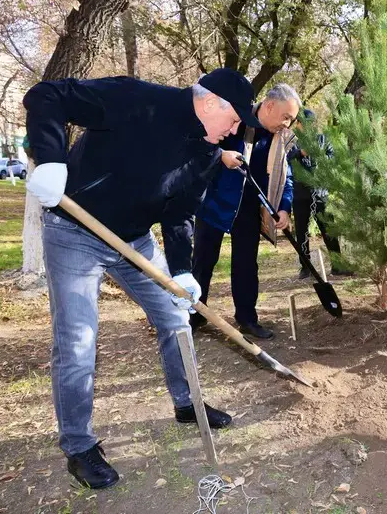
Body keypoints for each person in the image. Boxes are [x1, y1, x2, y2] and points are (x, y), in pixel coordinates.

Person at [23, 68, 257, 488]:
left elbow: (179, 214)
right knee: (77, 341)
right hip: (75, 232)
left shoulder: (206, 152)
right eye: (235, 120)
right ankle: (79, 446)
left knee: (176, 318)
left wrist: (182, 272)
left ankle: (187, 403)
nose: (235, 131)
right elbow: (47, 95)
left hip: (134, 242)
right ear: (210, 103)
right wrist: (51, 160)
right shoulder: (135, 98)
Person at [190, 84, 300, 340]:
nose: (287, 124)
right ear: (269, 106)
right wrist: (221, 155)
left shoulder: (280, 138)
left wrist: (284, 207)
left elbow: (286, 176)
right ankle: (194, 315)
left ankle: (247, 319)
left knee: (246, 264)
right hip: (214, 202)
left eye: (291, 120)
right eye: (286, 117)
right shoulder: (233, 117)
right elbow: (201, 145)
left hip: (250, 209)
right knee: (203, 261)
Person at [288, 109, 351, 279]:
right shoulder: (292, 141)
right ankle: (305, 267)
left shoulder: (323, 139)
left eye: (310, 123)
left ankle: (338, 266)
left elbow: (333, 157)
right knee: (302, 232)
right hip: (300, 194)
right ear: (298, 124)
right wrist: (300, 153)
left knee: (329, 229)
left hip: (320, 192)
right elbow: (286, 158)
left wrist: (319, 156)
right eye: (303, 123)